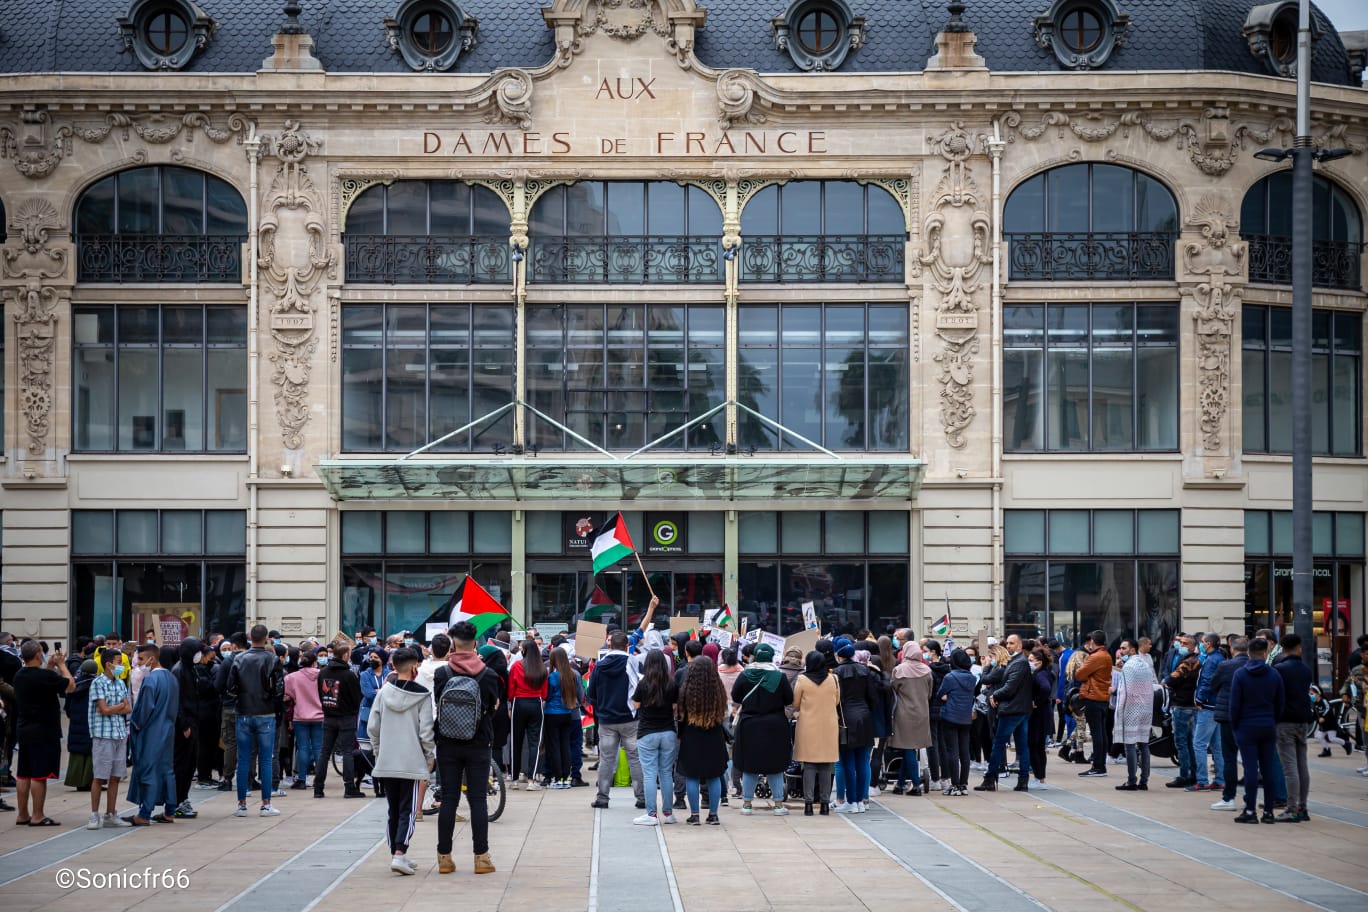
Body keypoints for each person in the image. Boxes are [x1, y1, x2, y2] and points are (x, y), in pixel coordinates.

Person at [432, 622, 500, 875]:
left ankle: (444, 858)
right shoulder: (489, 674)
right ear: (475, 643)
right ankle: (481, 857)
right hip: (479, 743)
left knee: (449, 798)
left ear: (453, 642)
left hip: (447, 742)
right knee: (478, 799)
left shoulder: (442, 674)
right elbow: (494, 707)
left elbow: (439, 703)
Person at [369, 647, 436, 875]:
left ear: (393, 667)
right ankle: (400, 853)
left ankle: (397, 853)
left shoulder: (382, 692)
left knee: (393, 809)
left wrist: (379, 753)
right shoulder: (423, 696)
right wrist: (429, 758)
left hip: (387, 760)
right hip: (412, 761)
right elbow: (426, 733)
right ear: (415, 667)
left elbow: (372, 728)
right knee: (407, 809)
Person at [13, 640, 76, 826]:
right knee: (39, 774)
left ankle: (22, 814)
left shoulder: (20, 675)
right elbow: (70, 685)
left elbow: (44, 680)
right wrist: (62, 664)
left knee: (24, 773)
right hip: (44, 730)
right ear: (39, 655)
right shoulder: (43, 677)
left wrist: (49, 666)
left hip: (24, 728)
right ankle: (38, 815)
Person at [226, 624, 285, 818]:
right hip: (265, 713)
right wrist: (269, 699)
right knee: (266, 759)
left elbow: (230, 688)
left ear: (251, 637)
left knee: (243, 759)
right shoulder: (272, 659)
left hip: (244, 711)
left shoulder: (239, 658)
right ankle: (266, 804)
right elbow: (279, 690)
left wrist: (242, 698)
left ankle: (241, 804)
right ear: (267, 637)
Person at [731, 642, 794, 817]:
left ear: (755, 656)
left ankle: (747, 804)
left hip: (749, 724)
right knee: (774, 765)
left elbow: (736, 696)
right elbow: (789, 698)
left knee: (750, 765)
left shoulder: (745, 674)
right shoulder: (779, 676)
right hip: (775, 725)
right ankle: (778, 804)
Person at [586, 629, 644, 810]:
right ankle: (641, 797)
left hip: (606, 720)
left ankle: (602, 797)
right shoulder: (633, 662)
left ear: (609, 644)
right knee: (635, 758)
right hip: (630, 718)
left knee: (606, 759)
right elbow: (642, 688)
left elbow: (591, 695)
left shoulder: (599, 665)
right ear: (627, 646)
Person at [1230, 636, 1285, 824]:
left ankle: (1250, 810)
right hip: (1267, 725)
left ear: (1248, 653)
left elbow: (1234, 704)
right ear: (1265, 653)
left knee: (1250, 769)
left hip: (1246, 726)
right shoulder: (1274, 674)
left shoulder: (1240, 674)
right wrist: (1273, 720)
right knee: (1268, 769)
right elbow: (1280, 703)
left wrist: (1235, 725)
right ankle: (1268, 811)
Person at [127, 643, 178, 826]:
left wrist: (135, 724)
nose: (138, 663)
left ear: (152, 658)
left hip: (151, 731)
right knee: (167, 771)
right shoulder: (172, 678)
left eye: (141, 659)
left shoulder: (150, 680)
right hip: (168, 729)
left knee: (148, 771)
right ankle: (170, 811)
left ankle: (144, 813)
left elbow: (144, 710)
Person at [975, 634, 1032, 793]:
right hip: (1017, 708)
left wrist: (995, 695)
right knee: (1020, 745)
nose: (1009, 646)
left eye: (1012, 643)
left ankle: (990, 779)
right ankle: (1022, 780)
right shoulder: (1015, 662)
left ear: (1020, 646)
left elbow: (1010, 686)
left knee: (999, 744)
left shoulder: (1020, 663)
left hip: (1013, 710)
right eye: (1007, 643)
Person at [676, 655, 729, 825]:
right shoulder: (718, 689)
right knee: (714, 776)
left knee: (692, 777)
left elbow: (681, 716)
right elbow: (723, 713)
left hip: (691, 735)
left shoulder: (686, 690)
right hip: (714, 734)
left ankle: (695, 814)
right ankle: (713, 814)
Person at [632, 649, 678, 826]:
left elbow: (635, 704)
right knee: (666, 773)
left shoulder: (643, 683)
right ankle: (668, 813)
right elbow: (674, 706)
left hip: (647, 732)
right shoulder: (672, 684)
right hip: (668, 731)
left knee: (650, 774)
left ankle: (651, 814)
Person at [88, 648, 132, 829]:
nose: (121, 666)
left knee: (115, 776)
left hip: (120, 734)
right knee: (99, 776)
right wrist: (117, 707)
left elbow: (127, 708)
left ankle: (110, 813)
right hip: (103, 735)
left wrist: (112, 708)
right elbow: (102, 710)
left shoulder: (120, 683)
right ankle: (94, 814)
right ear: (108, 664)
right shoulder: (98, 683)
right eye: (119, 662)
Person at [792, 650, 839, 815]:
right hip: (829, 725)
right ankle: (825, 804)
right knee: (826, 765)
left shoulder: (802, 679)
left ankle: (809, 804)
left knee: (809, 765)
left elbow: (795, 702)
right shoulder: (833, 679)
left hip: (807, 725)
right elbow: (837, 700)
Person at [1272, 634, 1312, 822]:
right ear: (1299, 648)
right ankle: (1303, 806)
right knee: (1301, 763)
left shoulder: (1279, 669)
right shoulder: (1305, 669)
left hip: (1285, 721)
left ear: (1282, 648)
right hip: (1302, 720)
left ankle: (1292, 807)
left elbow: (1275, 695)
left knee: (1289, 766)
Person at [316, 643, 365, 798]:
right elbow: (357, 697)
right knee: (347, 753)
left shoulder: (323, 673)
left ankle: (318, 788)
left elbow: (320, 694)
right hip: (346, 717)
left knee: (324, 752)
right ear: (345, 655)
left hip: (329, 716)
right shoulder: (349, 675)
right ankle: (349, 787)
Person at [1207, 635, 1248, 811]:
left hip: (1228, 715)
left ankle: (1229, 797)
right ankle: (1250, 798)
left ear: (1232, 649)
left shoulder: (1225, 666)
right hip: (1249, 717)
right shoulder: (1255, 666)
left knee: (1229, 757)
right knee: (1250, 758)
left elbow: (1213, 685)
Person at [889, 642, 932, 796]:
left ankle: (915, 785)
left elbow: (893, 689)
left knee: (907, 748)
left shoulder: (899, 670)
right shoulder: (927, 670)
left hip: (903, 713)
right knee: (912, 749)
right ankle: (900, 784)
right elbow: (929, 693)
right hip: (922, 713)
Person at [1112, 639, 1155, 792]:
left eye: (1123, 648)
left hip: (1131, 708)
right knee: (1144, 744)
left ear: (1132, 650)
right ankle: (1144, 780)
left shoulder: (1129, 666)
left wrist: (1120, 710)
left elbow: (1125, 690)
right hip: (1146, 708)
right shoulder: (1144, 664)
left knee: (1130, 744)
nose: (1120, 651)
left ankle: (1132, 781)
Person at [508, 638, 548, 791]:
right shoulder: (541, 668)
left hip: (519, 702)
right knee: (535, 743)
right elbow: (545, 693)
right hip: (536, 703)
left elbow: (511, 688)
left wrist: (511, 704)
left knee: (516, 742)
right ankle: (531, 780)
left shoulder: (517, 666)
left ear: (524, 651)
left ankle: (515, 779)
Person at [170, 637, 203, 818]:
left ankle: (182, 798)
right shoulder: (179, 671)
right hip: (185, 725)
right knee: (182, 764)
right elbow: (177, 700)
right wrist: (183, 724)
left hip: (192, 721)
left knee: (190, 764)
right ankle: (176, 801)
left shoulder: (190, 669)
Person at [1074, 631, 1113, 777]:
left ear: (1092, 642)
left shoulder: (1096, 656)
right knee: (1101, 733)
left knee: (1097, 733)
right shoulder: (1106, 655)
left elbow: (1079, 674)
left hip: (1093, 697)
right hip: (1102, 697)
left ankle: (1098, 766)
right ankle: (1100, 764)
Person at [544, 648, 584, 790]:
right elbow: (580, 695)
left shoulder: (551, 677)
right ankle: (566, 777)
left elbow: (546, 696)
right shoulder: (573, 675)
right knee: (566, 745)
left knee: (554, 746)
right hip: (568, 713)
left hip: (552, 713)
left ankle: (557, 776)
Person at [1164, 637, 1201, 789]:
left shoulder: (1189, 662)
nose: (1181, 645)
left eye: (1186, 644)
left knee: (1182, 742)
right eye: (1181, 643)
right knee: (1190, 742)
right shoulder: (1196, 661)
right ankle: (1193, 774)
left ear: (1193, 647)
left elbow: (1171, 680)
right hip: (1190, 705)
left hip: (1182, 705)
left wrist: (1166, 680)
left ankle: (1184, 775)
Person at [285, 650, 324, 790]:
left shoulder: (292, 677)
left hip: (300, 715)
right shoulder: (322, 675)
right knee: (319, 748)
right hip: (320, 715)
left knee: (302, 747)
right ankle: (319, 779)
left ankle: (302, 778)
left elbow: (286, 697)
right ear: (315, 662)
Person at [214, 632, 247, 793]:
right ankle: (249, 778)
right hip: (249, 708)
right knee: (249, 744)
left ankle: (227, 778)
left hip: (229, 707)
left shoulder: (227, 662)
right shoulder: (250, 659)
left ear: (233, 645)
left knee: (230, 744)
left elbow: (218, 685)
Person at [63, 659, 97, 792]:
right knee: (89, 752)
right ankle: (88, 781)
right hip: (90, 722)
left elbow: (67, 706)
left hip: (76, 722)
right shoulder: (96, 684)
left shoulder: (75, 683)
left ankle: (76, 780)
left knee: (77, 751)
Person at [1027, 646, 1056, 790]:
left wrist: (1036, 702)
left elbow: (1045, 689)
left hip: (1038, 715)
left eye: (1031, 660)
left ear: (1039, 661)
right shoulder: (1045, 672)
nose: (1029, 662)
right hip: (1043, 714)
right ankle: (1040, 778)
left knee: (1034, 745)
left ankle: (1039, 777)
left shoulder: (1040, 674)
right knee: (1038, 747)